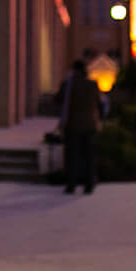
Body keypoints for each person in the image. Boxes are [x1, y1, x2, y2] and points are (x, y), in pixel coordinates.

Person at [58, 59, 104, 194]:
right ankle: (89, 184)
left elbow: (58, 100)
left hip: (72, 126)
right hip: (90, 125)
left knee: (72, 156)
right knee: (89, 156)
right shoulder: (93, 84)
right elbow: (100, 104)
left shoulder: (68, 85)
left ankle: (71, 184)